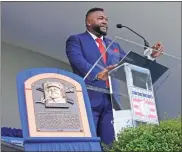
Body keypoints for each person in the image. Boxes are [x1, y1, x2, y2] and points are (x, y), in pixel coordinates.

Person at [66, 7, 163, 145]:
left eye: (106, 19)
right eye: (100, 19)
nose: (105, 22)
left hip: (112, 101)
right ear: (88, 22)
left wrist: (150, 56)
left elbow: (130, 64)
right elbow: (77, 61)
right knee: (86, 141)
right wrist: (97, 74)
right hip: (88, 97)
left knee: (109, 143)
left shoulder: (113, 45)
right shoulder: (76, 40)